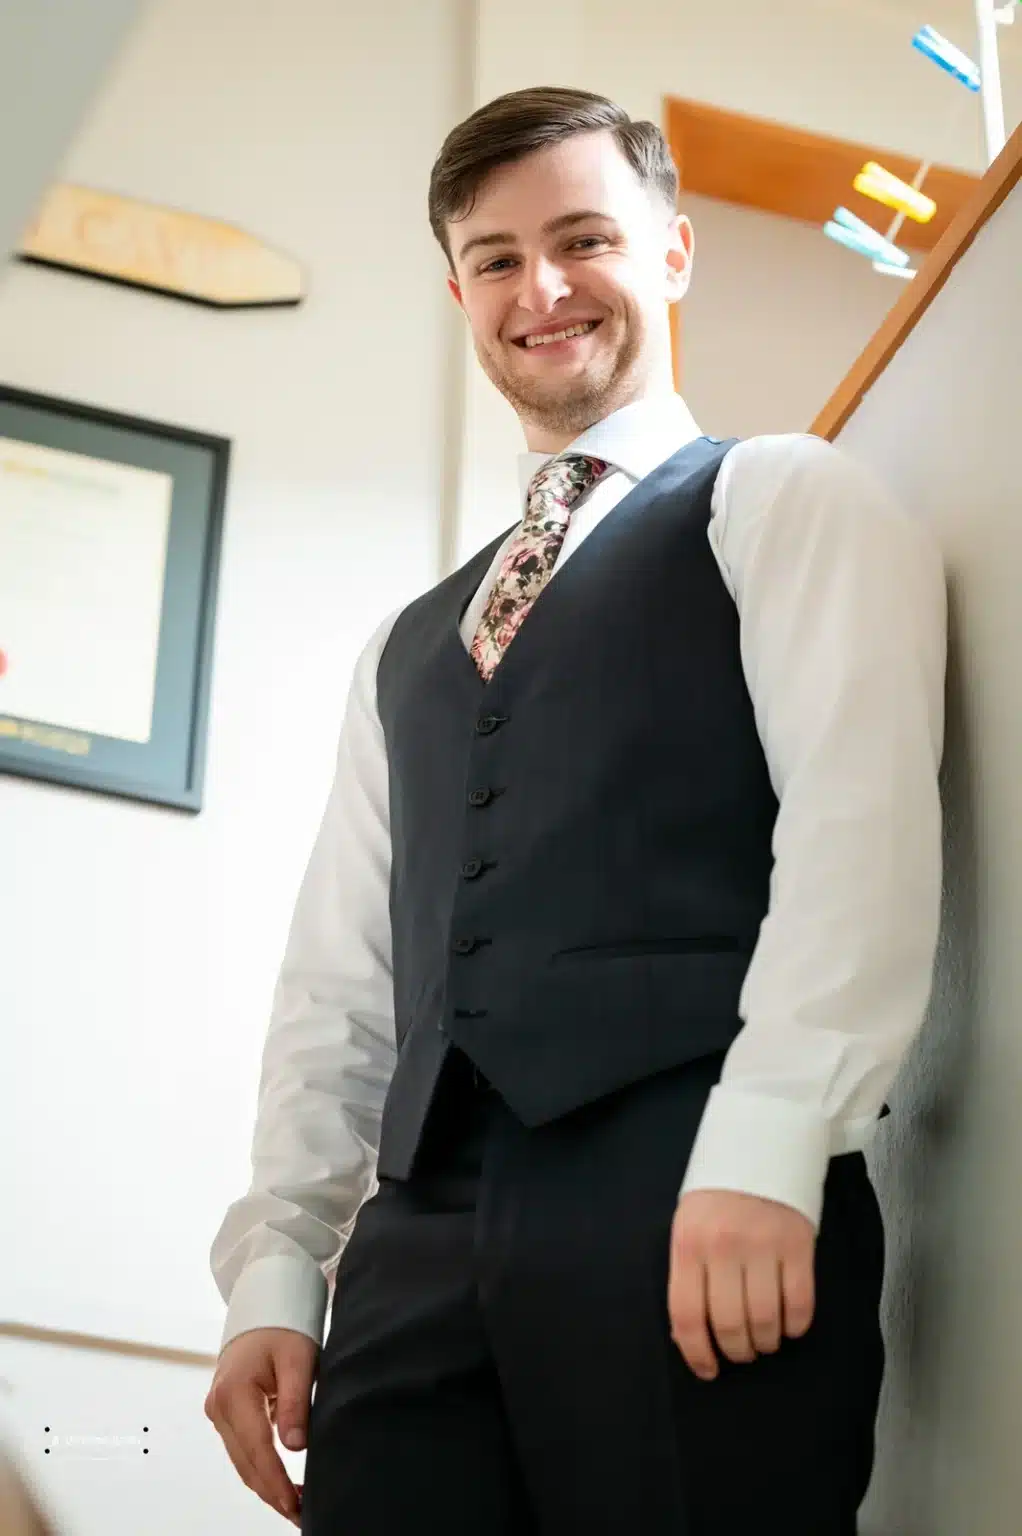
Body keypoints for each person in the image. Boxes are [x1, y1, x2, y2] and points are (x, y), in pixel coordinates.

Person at [204, 86, 947, 1534]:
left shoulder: (783, 499)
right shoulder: (411, 639)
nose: (539, 289)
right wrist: (278, 1270)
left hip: (694, 1206)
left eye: (583, 238)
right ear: (457, 291)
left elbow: (857, 830)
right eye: (494, 258)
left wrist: (769, 1142)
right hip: (410, 1253)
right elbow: (343, 984)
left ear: (671, 253)